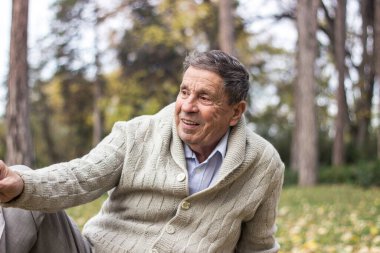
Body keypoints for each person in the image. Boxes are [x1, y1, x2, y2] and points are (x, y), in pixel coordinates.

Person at [0, 50, 285, 253]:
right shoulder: (136, 133)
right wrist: (22, 185)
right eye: (184, 92)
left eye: (204, 97)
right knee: (21, 196)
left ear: (236, 112)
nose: (187, 106)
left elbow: (257, 247)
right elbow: (80, 177)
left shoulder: (263, 164)